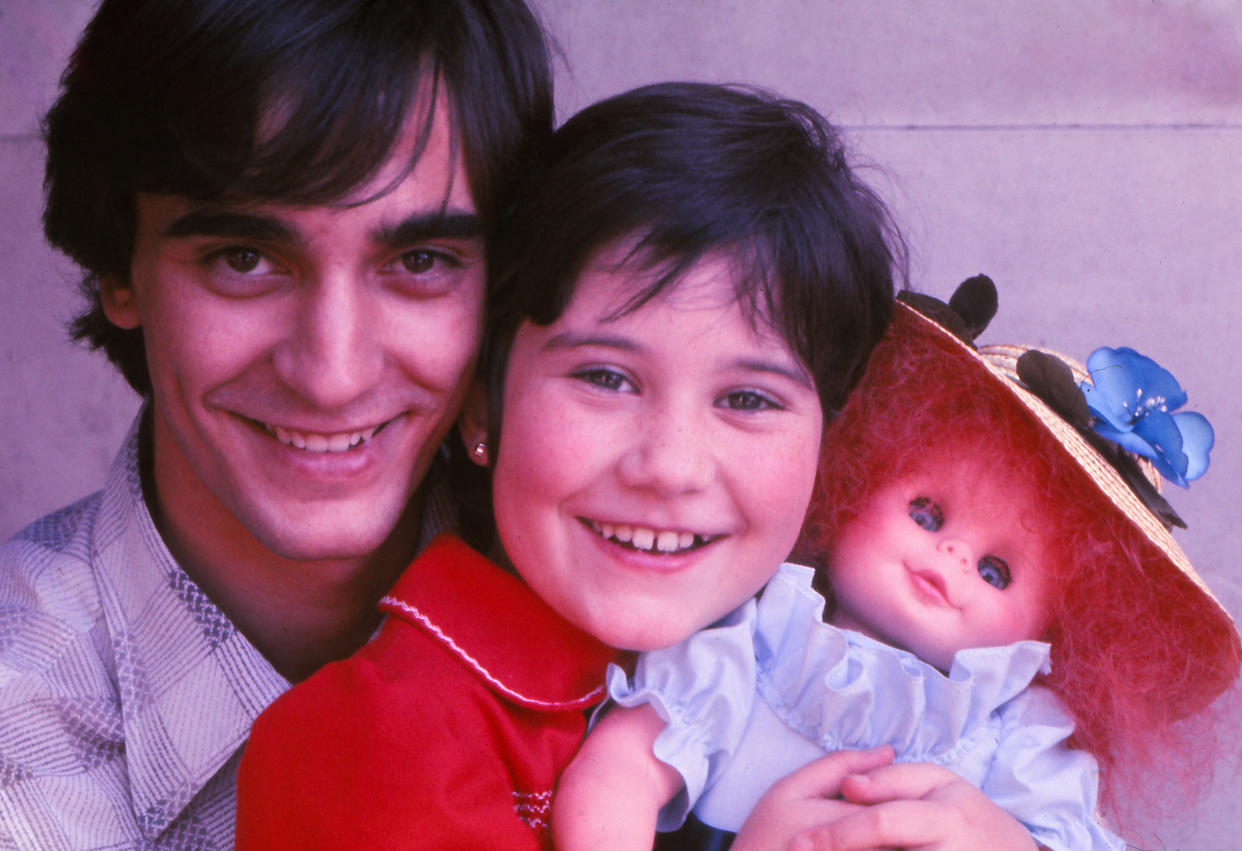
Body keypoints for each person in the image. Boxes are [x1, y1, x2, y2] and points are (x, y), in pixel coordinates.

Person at [234, 81, 909, 849]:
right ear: (482, 405)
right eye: (606, 378)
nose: (671, 467)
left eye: (750, 399)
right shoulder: (375, 745)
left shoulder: (819, 677)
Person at [0, 0, 552, 847]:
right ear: (120, 267)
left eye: (418, 262)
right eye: (244, 258)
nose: (332, 376)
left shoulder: (635, 626)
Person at [553, 278, 1242, 850]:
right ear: (851, 480)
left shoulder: (1017, 736)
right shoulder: (749, 645)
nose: (948, 555)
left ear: (1054, 626)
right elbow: (616, 773)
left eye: (997, 570)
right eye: (926, 513)